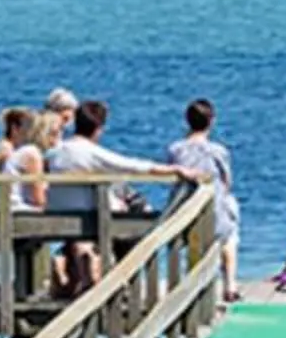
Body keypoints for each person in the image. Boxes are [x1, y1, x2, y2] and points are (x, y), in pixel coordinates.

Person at [50, 98, 172, 296]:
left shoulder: (55, 153)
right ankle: (120, 283)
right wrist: (173, 170)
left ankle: (73, 271)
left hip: (56, 216)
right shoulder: (91, 152)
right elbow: (132, 166)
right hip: (88, 219)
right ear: (98, 128)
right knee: (133, 232)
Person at [167, 97, 241, 300]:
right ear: (211, 121)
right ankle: (230, 285)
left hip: (183, 211)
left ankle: (190, 283)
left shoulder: (175, 149)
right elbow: (227, 182)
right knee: (230, 236)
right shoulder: (218, 151)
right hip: (213, 213)